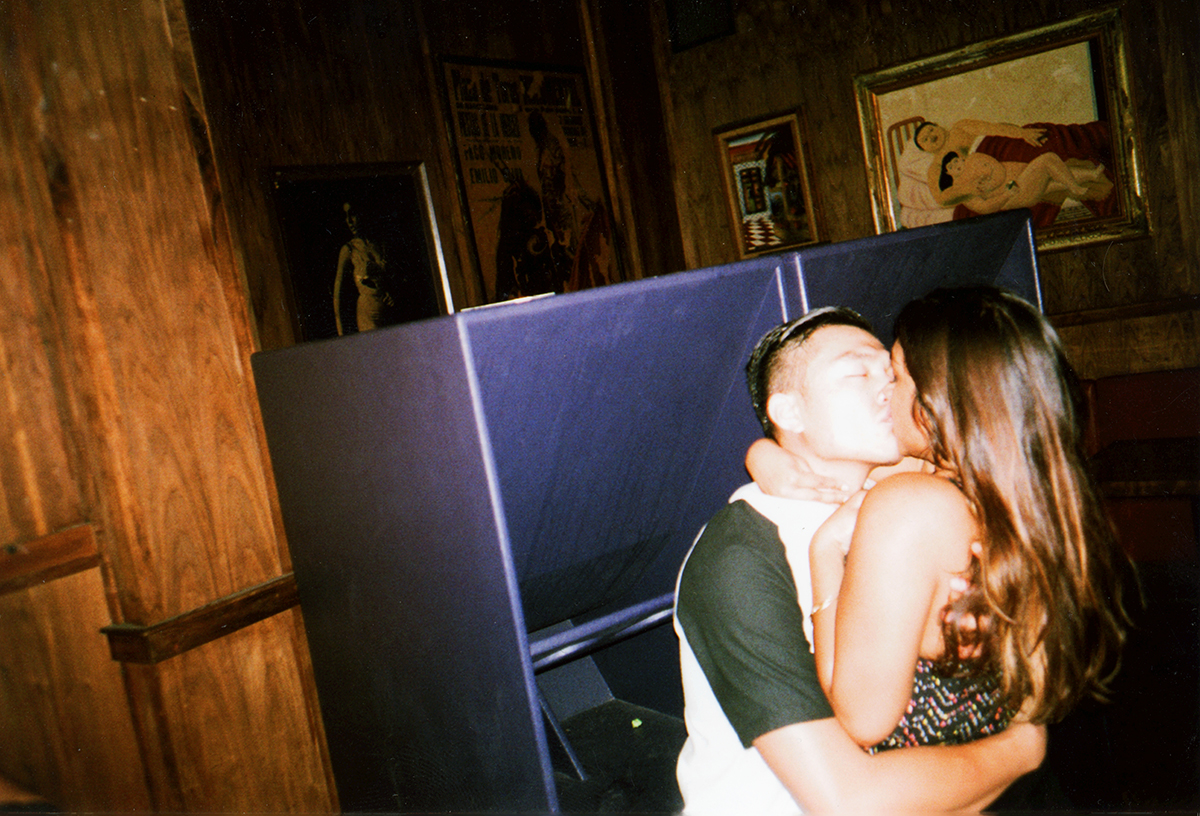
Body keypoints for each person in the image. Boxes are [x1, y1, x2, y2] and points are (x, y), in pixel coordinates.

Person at [674, 306, 1046, 815]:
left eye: (892, 373)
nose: (888, 389)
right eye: (857, 372)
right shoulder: (740, 555)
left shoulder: (909, 495)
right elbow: (846, 797)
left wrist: (765, 452)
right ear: (789, 412)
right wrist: (1025, 747)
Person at [749, 288, 1132, 758]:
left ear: (936, 399)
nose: (885, 391)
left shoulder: (910, 505)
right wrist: (764, 453)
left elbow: (860, 723)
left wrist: (825, 551)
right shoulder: (1018, 497)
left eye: (897, 375)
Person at [932, 150, 1112, 214]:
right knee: (1048, 159)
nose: (956, 165)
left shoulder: (974, 159)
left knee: (1054, 179)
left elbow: (997, 167)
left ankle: (1092, 176)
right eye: (951, 166)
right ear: (948, 173)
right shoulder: (963, 189)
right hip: (1016, 193)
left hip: (1022, 181)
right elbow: (985, 208)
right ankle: (1075, 188)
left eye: (956, 160)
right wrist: (1005, 194)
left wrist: (992, 178)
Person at [333, 201, 401, 334]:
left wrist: (393, 295)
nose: (349, 221)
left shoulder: (380, 244)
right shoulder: (349, 250)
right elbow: (337, 295)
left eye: (352, 214)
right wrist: (340, 333)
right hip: (368, 315)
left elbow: (394, 279)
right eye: (346, 216)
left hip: (389, 313)